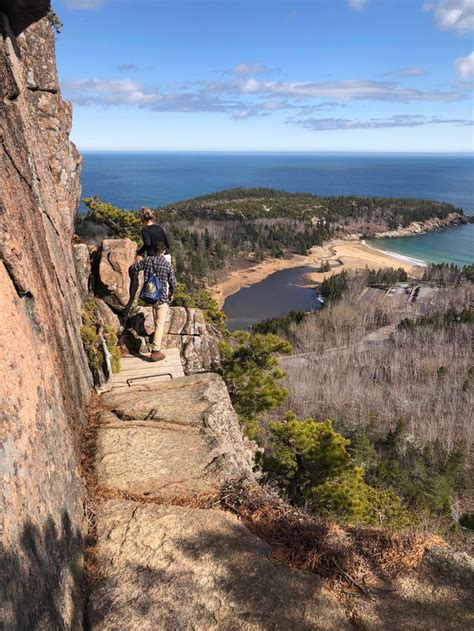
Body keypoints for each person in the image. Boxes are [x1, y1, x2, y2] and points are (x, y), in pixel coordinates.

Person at [128, 241, 177, 361]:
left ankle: (153, 340)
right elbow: (173, 283)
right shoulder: (167, 265)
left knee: (156, 321)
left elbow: (133, 268)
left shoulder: (147, 260)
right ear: (163, 252)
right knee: (159, 324)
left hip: (148, 296)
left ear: (154, 251)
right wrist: (171, 293)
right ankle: (155, 352)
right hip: (161, 298)